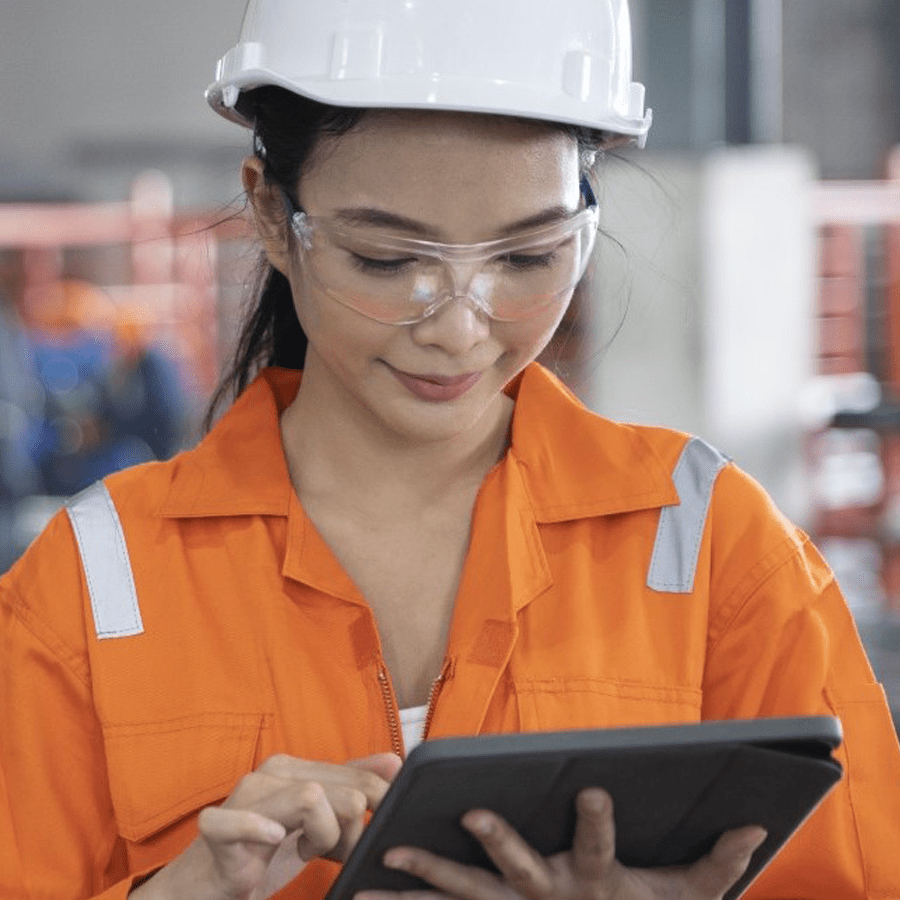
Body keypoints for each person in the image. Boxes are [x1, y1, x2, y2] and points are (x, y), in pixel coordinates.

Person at [1, 1, 899, 899]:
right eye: (389, 260)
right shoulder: (93, 592)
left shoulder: (712, 549)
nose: (461, 330)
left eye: (528, 256)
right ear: (272, 214)